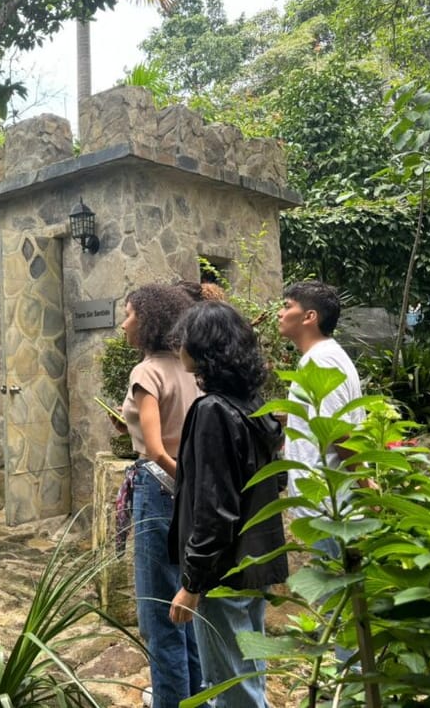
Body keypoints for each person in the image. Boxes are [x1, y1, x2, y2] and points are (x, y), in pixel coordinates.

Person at [168, 301, 288, 708]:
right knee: (248, 675)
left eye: (185, 339)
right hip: (254, 563)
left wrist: (192, 584)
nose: (178, 346)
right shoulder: (253, 404)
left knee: (232, 687)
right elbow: (276, 479)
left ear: (204, 348)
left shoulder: (212, 410)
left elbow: (214, 508)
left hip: (223, 572)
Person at [115, 283, 203, 708]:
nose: (124, 323)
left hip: (158, 489)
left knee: (158, 611)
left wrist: (180, 479)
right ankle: (198, 698)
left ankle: (170, 701)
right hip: (189, 494)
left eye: (130, 314)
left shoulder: (145, 372)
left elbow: (155, 448)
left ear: (148, 321)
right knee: (187, 606)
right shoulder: (190, 368)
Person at [276, 280, 364, 554]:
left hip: (331, 506)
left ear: (309, 317)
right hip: (328, 502)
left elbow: (337, 431)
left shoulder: (320, 361)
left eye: (287, 306)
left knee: (335, 578)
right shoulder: (326, 355)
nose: (280, 313)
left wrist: (365, 485)